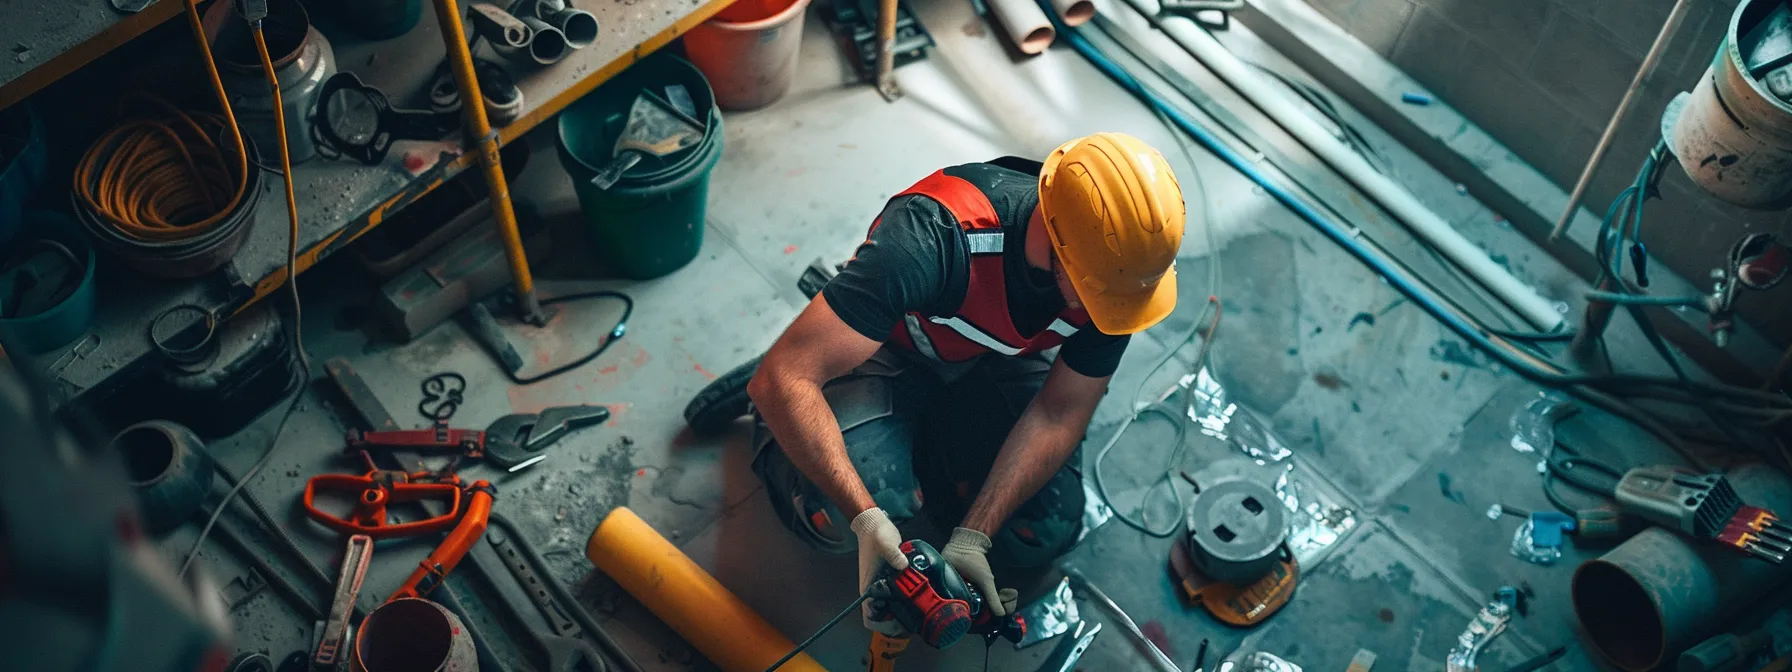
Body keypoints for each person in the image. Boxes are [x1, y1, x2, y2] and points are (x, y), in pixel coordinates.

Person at [745, 132, 1187, 631]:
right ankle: (823, 351)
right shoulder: (931, 235)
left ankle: (916, 440)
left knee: (1043, 531)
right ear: (1057, 238)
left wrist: (975, 533)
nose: (1105, 314)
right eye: (1096, 295)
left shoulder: (1122, 278)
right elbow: (782, 379)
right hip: (892, 352)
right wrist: (866, 517)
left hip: (992, 358)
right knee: (837, 514)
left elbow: (1059, 411)